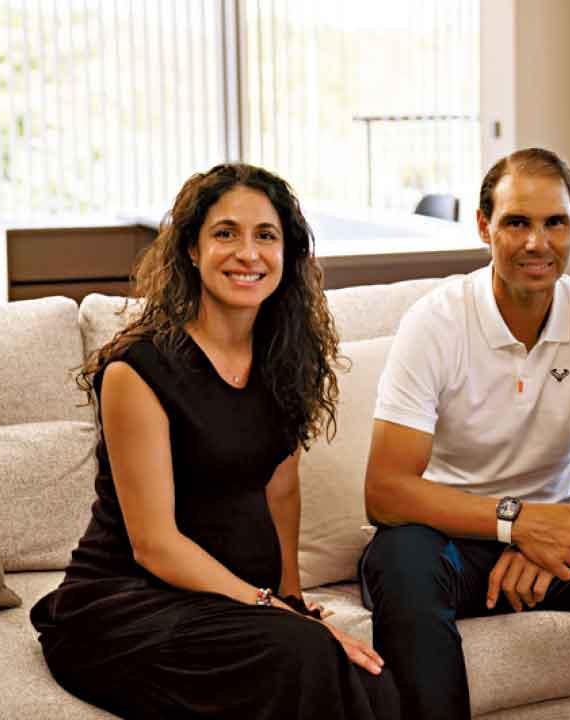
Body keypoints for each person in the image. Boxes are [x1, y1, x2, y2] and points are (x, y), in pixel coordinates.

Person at [30, 163, 400, 719]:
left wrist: (294, 601)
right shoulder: (137, 369)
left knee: (373, 680)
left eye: (266, 236)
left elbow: (281, 493)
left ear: (287, 254)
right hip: (128, 605)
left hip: (228, 603)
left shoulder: (284, 361)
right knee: (303, 655)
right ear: (192, 250)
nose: (248, 253)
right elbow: (154, 544)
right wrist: (273, 608)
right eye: (226, 233)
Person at [360, 147, 570, 720]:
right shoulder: (436, 322)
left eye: (555, 223)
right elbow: (386, 491)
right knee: (399, 556)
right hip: (450, 541)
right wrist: (518, 523)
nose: (536, 243)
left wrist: (562, 534)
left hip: (556, 533)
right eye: (517, 222)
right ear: (484, 226)